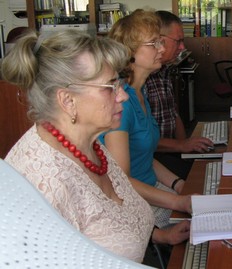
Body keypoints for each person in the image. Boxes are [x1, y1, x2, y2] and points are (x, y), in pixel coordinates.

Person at [1, 29, 190, 264]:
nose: (122, 96)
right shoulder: (44, 182)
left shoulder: (89, 145)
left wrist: (161, 236)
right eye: (110, 86)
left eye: (119, 83)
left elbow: (115, 217)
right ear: (68, 100)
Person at [99, 9, 191, 230]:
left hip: (151, 188)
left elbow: (144, 156)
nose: (161, 49)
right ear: (129, 52)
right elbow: (122, 182)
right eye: (153, 44)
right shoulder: (122, 104)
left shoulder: (140, 93)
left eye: (161, 42)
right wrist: (177, 200)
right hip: (136, 201)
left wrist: (177, 184)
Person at [145, 11, 214, 179]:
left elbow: (173, 113)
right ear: (158, 39)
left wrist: (186, 149)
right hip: (153, 156)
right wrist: (181, 146)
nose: (182, 47)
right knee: (199, 178)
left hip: (171, 149)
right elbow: (141, 141)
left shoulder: (165, 70)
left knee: (207, 166)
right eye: (178, 41)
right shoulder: (139, 81)